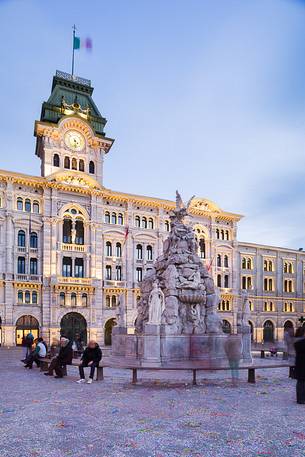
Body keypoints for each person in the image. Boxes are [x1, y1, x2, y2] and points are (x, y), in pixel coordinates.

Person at [294, 326, 305, 404]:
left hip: (300, 365)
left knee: (301, 382)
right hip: (302, 365)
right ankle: (300, 399)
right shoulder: (299, 343)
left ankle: (301, 398)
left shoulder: (297, 342)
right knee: (301, 382)